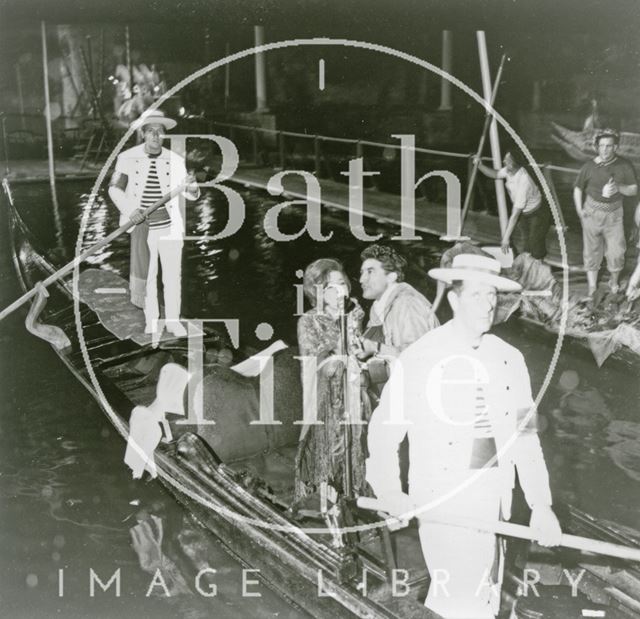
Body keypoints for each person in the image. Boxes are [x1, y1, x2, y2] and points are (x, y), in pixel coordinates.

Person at [366, 253, 561, 619]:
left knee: (486, 587)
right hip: (443, 499)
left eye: (492, 295)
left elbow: (525, 438)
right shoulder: (420, 358)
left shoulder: (510, 360)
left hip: (495, 494)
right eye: (476, 295)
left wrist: (541, 505)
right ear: (454, 300)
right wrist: (390, 490)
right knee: (463, 599)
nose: (487, 305)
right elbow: (383, 431)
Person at [108, 110, 200, 337]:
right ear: (143, 134)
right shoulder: (127, 158)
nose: (155, 136)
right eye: (151, 132)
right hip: (142, 226)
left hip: (170, 227)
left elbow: (191, 195)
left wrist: (191, 186)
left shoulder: (176, 160)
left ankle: (173, 322)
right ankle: (152, 321)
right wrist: (131, 211)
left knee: (172, 276)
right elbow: (114, 188)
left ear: (164, 135)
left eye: (159, 132)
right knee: (149, 278)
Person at [294, 259, 369, 504]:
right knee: (327, 456)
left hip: (354, 394)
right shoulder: (308, 321)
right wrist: (342, 337)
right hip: (324, 399)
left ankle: (355, 502)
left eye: (342, 284)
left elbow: (358, 354)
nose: (340, 291)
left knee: (356, 451)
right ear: (318, 292)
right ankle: (325, 508)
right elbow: (317, 366)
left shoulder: (355, 314)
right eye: (330, 287)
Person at [358, 244, 438, 392]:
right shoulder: (379, 311)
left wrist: (375, 348)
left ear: (391, 277)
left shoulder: (407, 303)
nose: (362, 279)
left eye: (370, 272)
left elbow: (418, 359)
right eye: (362, 272)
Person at [573, 128, 638, 296]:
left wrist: (618, 187)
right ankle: (592, 287)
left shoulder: (624, 165)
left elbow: (633, 190)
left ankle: (614, 281)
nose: (605, 149)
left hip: (614, 215)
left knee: (616, 252)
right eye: (601, 146)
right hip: (591, 212)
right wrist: (580, 210)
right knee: (591, 251)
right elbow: (578, 189)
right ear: (596, 147)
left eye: (609, 146)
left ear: (615, 147)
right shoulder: (588, 166)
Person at [474, 150, 552, 260]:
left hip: (538, 213)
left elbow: (515, 215)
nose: (504, 161)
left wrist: (505, 238)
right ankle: (527, 267)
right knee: (526, 244)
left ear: (513, 164)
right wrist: (480, 165)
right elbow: (495, 174)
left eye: (507, 160)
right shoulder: (509, 170)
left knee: (535, 244)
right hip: (525, 213)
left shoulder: (524, 181)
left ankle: (537, 269)